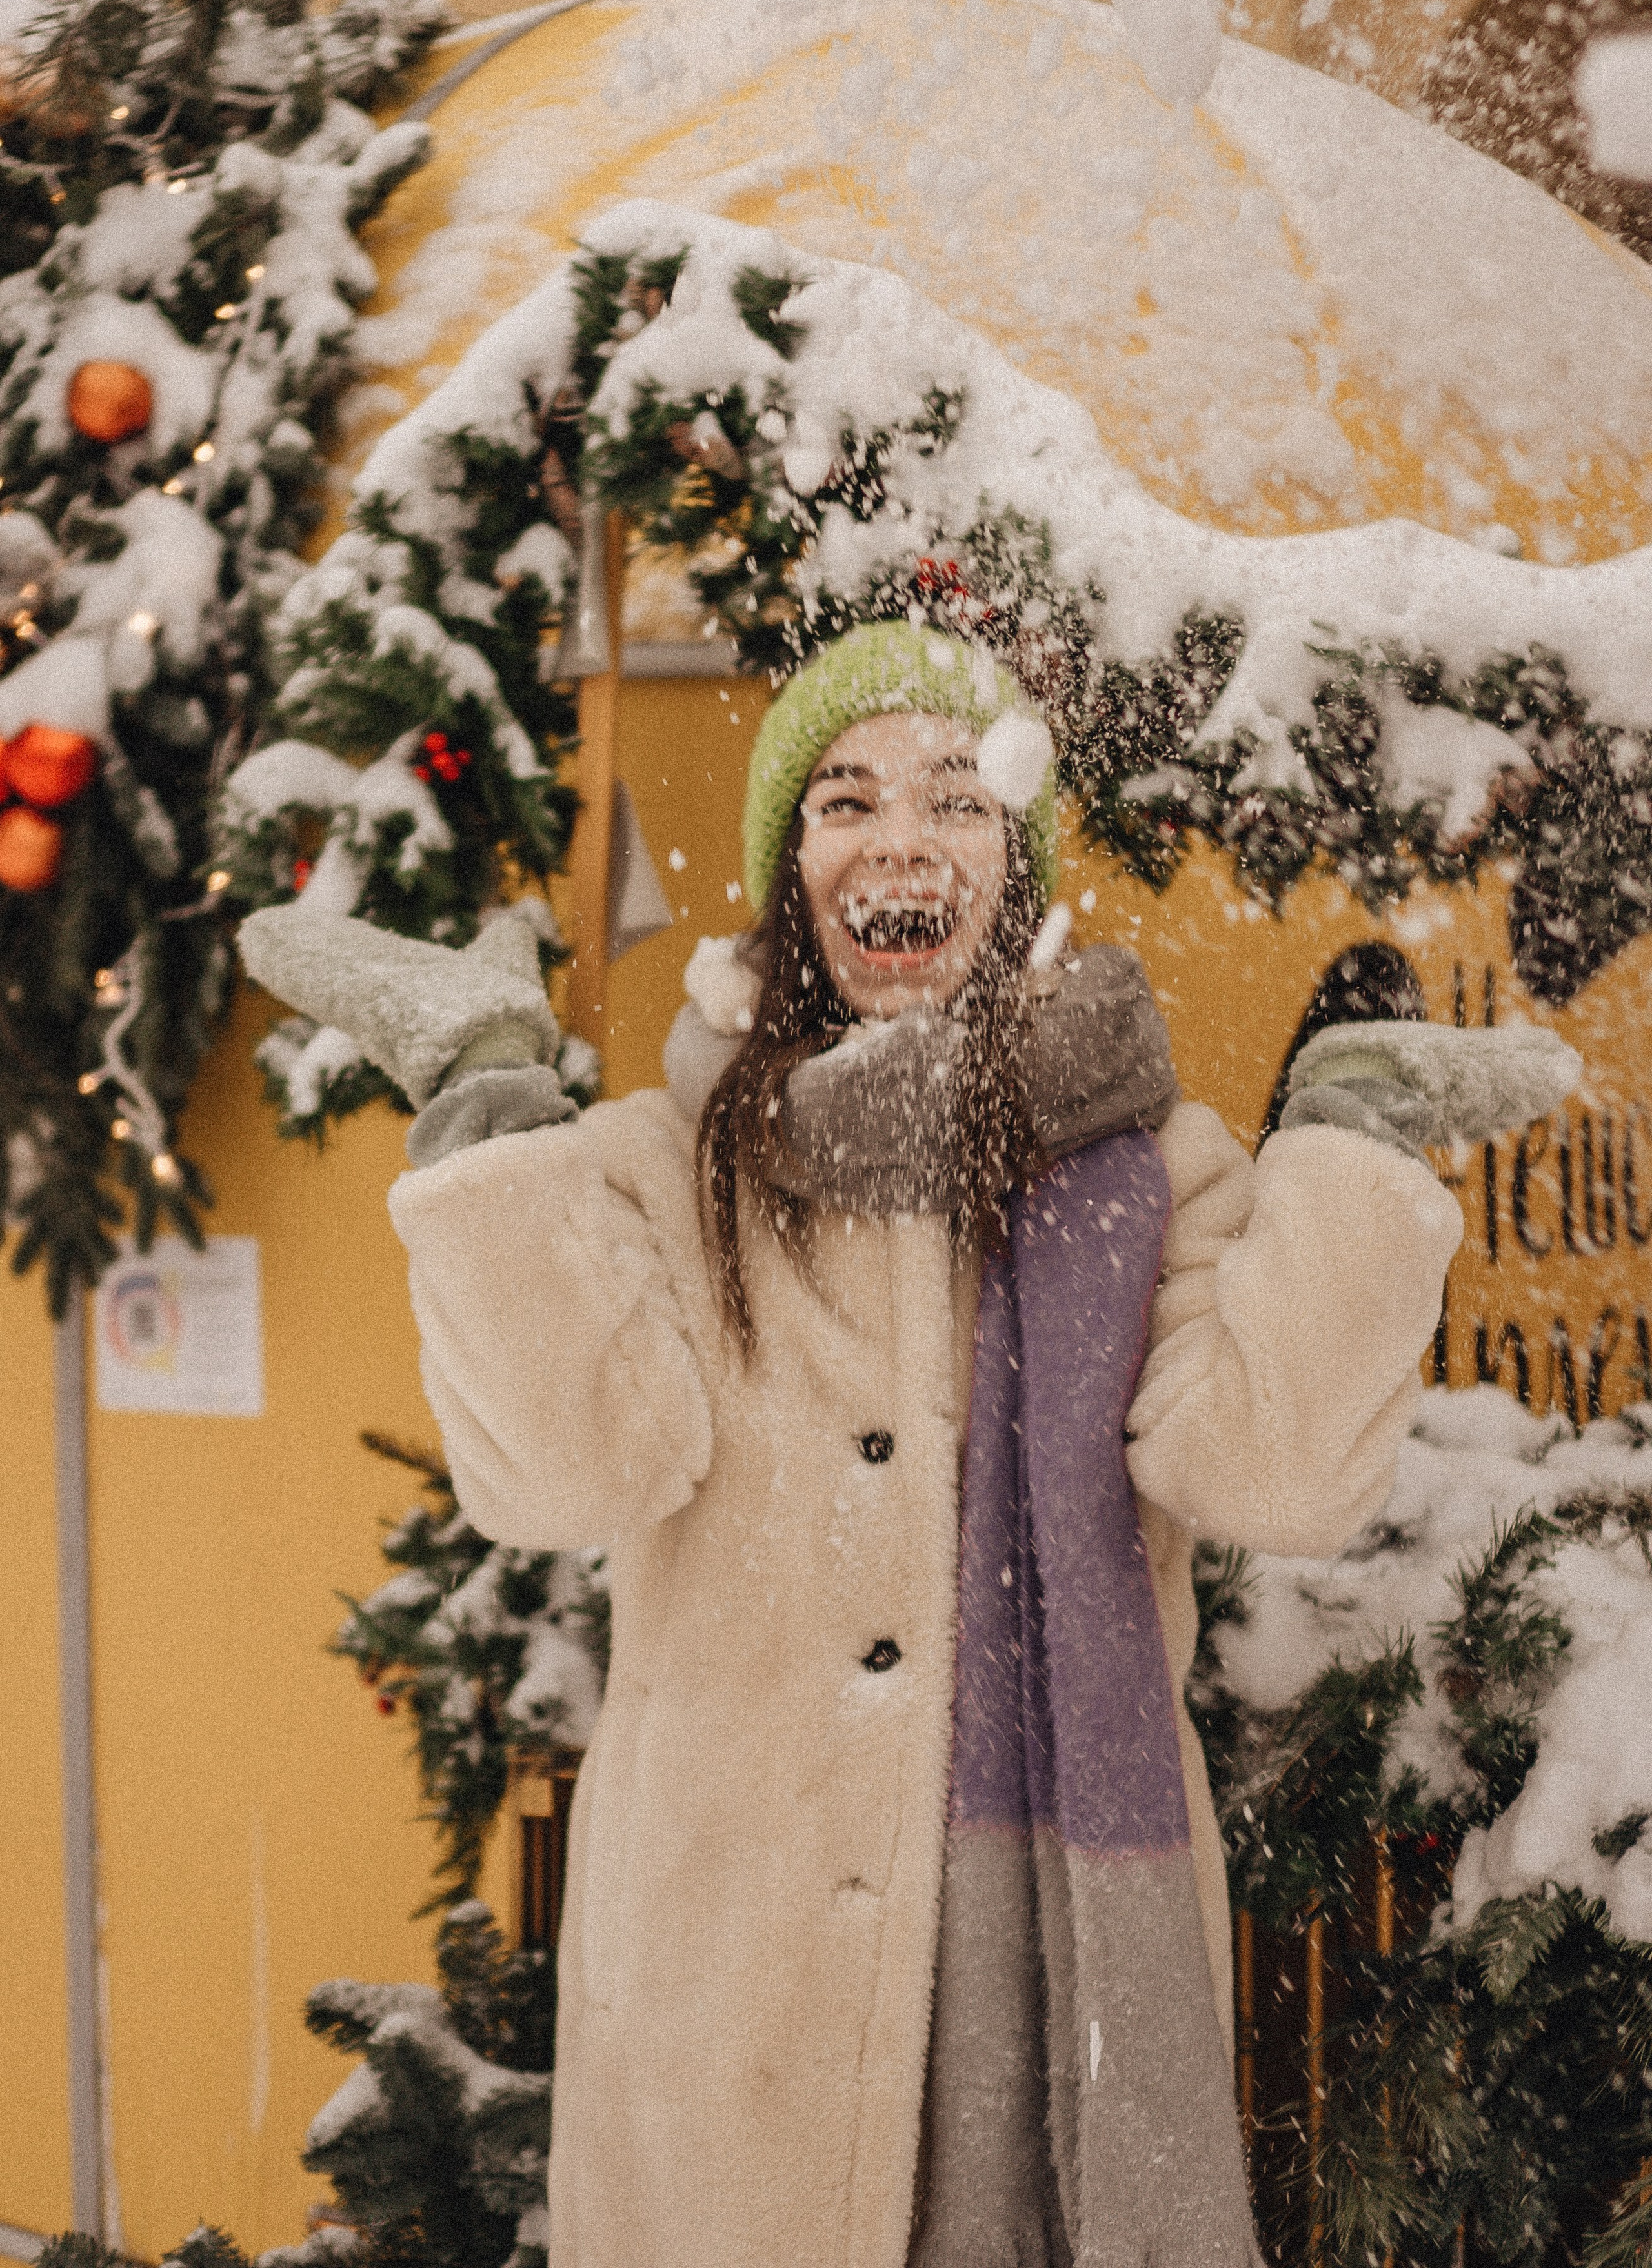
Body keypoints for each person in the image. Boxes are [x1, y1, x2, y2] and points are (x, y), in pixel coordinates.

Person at [241, 620, 1574, 2268]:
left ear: (1015, 854)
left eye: (955, 793)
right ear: (789, 869)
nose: (897, 836)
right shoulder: (664, 1166)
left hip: (1038, 1981)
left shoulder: (1154, 1172)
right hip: (730, 1994)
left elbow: (1271, 1480)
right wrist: (485, 1101)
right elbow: (564, 1479)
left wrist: (1348, 1143)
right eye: (840, 797)